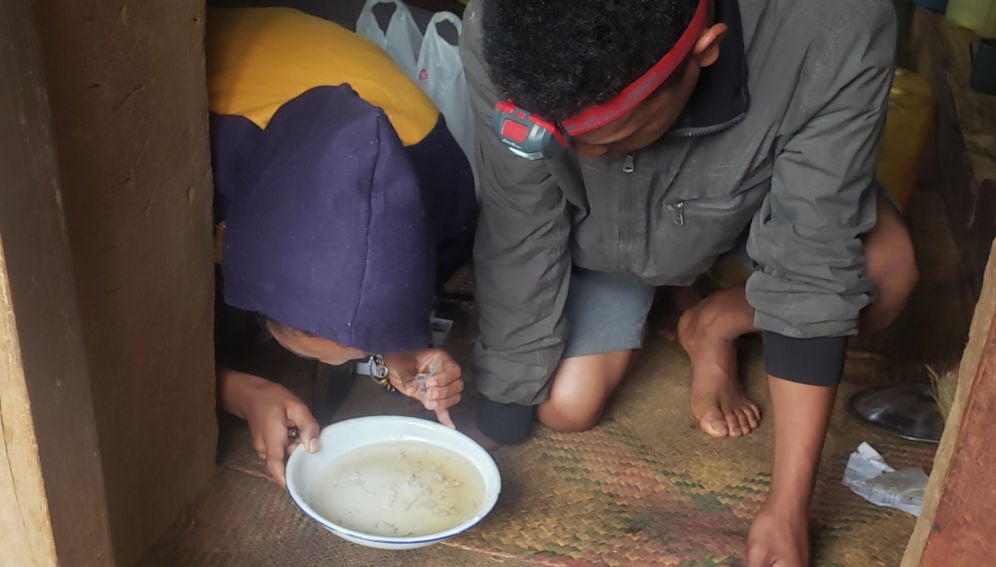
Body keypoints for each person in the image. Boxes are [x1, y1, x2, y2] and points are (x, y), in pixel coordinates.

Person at [459, 0, 917, 565]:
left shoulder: (834, 25)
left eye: (606, 139)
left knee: (887, 273)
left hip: (749, 206)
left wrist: (788, 507)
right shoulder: (500, 26)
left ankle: (716, 320)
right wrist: (501, 407)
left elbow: (813, 264)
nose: (578, 158)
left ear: (706, 50)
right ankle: (673, 296)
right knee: (563, 407)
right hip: (605, 239)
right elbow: (520, 224)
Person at [205, 6, 477, 487]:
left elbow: (382, 288)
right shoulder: (201, 156)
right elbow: (129, 339)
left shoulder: (447, 198)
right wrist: (238, 390)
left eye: (356, 353)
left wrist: (400, 344)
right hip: (227, 88)